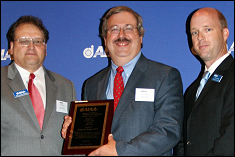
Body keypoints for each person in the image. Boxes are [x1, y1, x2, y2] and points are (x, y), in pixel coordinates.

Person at [62, 6, 184, 156]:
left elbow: (168, 130)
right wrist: (74, 133)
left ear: (140, 37)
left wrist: (120, 151)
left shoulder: (164, 76)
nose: (121, 35)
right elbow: (92, 138)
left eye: (128, 28)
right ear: (105, 40)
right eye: (114, 29)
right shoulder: (92, 84)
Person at [1, 15, 77, 156]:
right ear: (11, 47)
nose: (31, 46)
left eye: (38, 41)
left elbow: (74, 141)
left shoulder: (66, 86)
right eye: (23, 41)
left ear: (45, 48)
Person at [174, 7, 234, 156]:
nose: (200, 37)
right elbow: (183, 141)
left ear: (225, 33)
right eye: (194, 32)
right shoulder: (192, 90)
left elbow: (231, 137)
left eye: (207, 29)